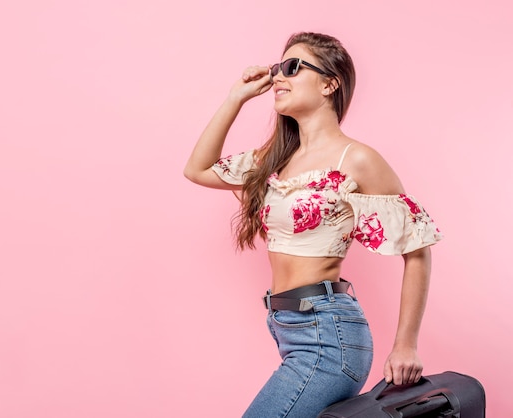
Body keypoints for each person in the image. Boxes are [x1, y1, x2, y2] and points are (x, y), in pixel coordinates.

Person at [183, 31, 443, 418]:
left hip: (327, 337)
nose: (278, 78)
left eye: (291, 67)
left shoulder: (356, 160)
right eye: (276, 68)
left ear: (329, 83)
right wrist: (236, 97)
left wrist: (406, 344)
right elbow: (197, 169)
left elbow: (417, 251)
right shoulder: (274, 161)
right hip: (289, 329)